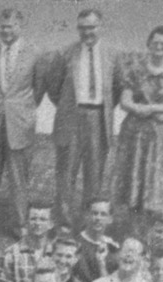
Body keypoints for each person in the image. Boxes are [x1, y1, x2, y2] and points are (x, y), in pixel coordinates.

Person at [0, 9, 42, 233]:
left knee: (18, 178)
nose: (6, 30)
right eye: (2, 26)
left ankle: (20, 224)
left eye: (10, 26)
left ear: (20, 27)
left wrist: (21, 108)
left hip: (19, 124)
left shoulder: (34, 53)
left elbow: (38, 89)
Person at [111, 28, 163, 225]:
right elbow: (124, 101)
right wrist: (138, 108)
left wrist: (152, 107)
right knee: (136, 171)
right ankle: (134, 216)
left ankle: (160, 218)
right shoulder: (136, 69)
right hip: (137, 130)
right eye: (155, 43)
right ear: (149, 44)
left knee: (160, 173)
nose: (159, 47)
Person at [45, 9, 115, 220]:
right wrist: (68, 106)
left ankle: (89, 223)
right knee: (66, 173)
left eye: (91, 27)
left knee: (95, 175)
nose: (87, 32)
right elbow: (53, 86)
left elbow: (116, 89)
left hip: (98, 118)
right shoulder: (65, 53)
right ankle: (64, 222)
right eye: (82, 28)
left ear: (100, 27)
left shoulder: (112, 55)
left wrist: (100, 107)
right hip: (71, 118)